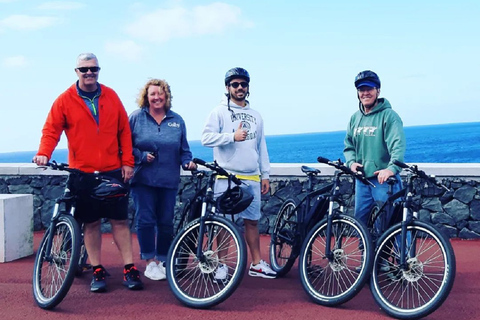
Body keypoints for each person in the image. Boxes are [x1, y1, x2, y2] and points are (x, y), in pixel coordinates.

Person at [33, 53, 143, 292]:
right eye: (84, 69)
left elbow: (124, 131)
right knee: (91, 224)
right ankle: (97, 268)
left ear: (98, 70)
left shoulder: (111, 96)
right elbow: (51, 130)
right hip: (82, 173)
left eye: (93, 69)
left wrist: (128, 162)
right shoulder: (64, 100)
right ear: (76, 72)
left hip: (113, 171)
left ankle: (129, 268)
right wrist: (44, 152)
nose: (89, 73)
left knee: (120, 222)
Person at [201, 67, 276, 279]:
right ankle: (222, 265)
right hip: (226, 177)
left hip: (251, 177)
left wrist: (265, 174)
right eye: (235, 84)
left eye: (243, 84)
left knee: (252, 221)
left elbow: (261, 146)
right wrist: (231, 137)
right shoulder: (218, 112)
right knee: (224, 223)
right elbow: (206, 138)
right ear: (228, 87)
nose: (239, 87)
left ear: (248, 87)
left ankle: (256, 263)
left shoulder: (256, 115)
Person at [129, 79, 196, 281]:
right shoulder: (135, 118)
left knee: (166, 222)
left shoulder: (177, 120)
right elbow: (123, 146)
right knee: (146, 220)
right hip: (143, 180)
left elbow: (184, 150)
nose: (157, 97)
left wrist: (188, 163)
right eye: (152, 94)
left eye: (160, 94)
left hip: (168, 181)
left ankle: (164, 259)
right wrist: (141, 156)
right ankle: (150, 262)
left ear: (166, 96)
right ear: (146, 97)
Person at [344, 70, 406, 228]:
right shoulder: (355, 118)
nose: (365, 93)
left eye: (369, 89)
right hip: (362, 181)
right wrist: (351, 162)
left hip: (383, 180)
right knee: (360, 225)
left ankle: (404, 253)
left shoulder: (389, 116)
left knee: (391, 225)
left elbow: (397, 145)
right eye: (361, 90)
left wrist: (391, 169)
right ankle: (366, 253)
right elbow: (349, 145)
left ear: (378, 90)